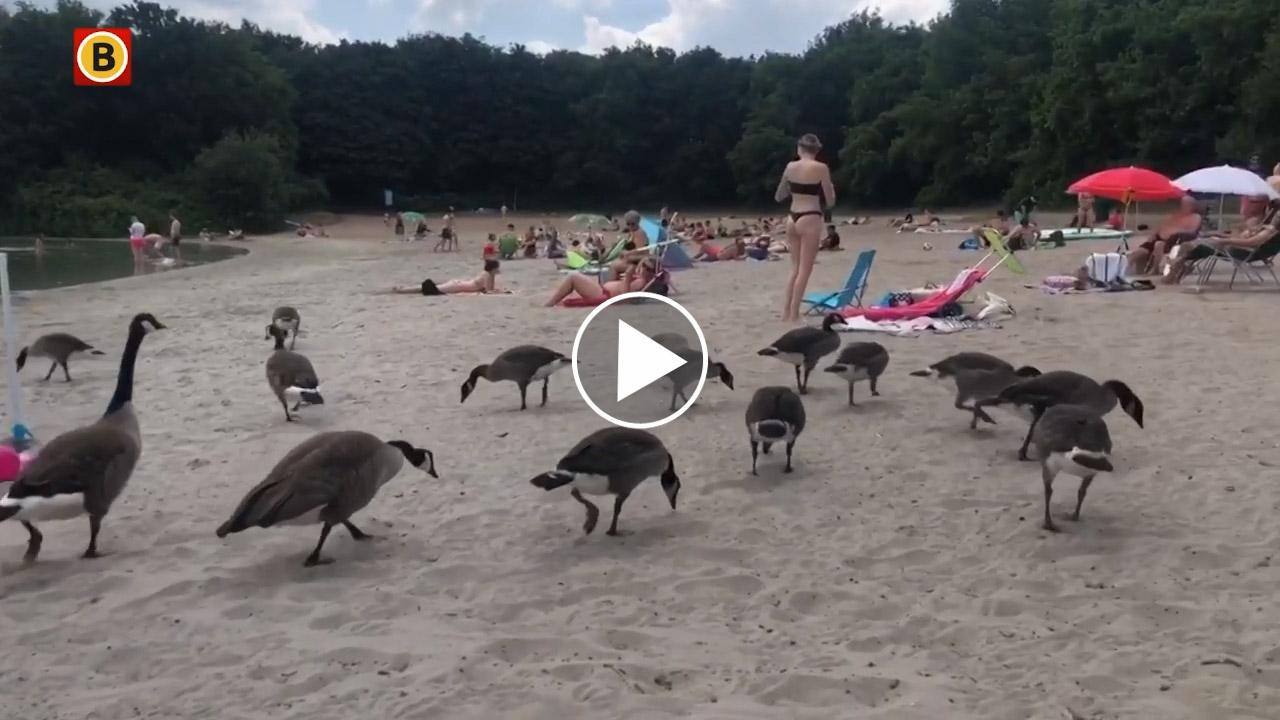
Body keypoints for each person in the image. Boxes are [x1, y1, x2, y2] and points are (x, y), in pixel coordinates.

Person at [774, 133, 835, 321]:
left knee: (794, 269)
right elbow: (830, 202)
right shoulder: (821, 168)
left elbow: (779, 196)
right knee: (805, 270)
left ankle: (786, 311)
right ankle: (794, 314)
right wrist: (831, 189)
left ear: (800, 148)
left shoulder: (791, 166)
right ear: (816, 150)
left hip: (792, 217)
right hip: (810, 216)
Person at [1126, 196, 1202, 275]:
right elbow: (1163, 226)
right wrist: (1154, 234)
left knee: (1159, 245)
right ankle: (1125, 270)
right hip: (1159, 238)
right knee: (1138, 252)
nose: (1184, 206)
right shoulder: (1177, 215)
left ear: (1192, 205)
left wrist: (1175, 231)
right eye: (1183, 204)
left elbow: (1192, 232)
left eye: (1186, 204)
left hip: (1175, 240)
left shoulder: (1195, 217)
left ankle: (1155, 269)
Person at [544, 257, 659, 306]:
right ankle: (552, 301)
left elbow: (625, 299)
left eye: (648, 269)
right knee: (575, 278)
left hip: (604, 295)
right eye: (643, 265)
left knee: (573, 277)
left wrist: (628, 277)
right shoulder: (640, 278)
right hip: (604, 291)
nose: (644, 269)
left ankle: (549, 303)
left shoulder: (641, 282)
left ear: (653, 272)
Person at [391, 259, 508, 295]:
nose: (498, 270)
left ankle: (402, 289)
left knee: (436, 287)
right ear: (493, 268)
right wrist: (502, 292)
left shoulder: (488, 275)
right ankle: (402, 290)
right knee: (432, 289)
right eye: (497, 268)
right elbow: (488, 291)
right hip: (457, 286)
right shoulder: (487, 275)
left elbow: (488, 289)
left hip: (458, 284)